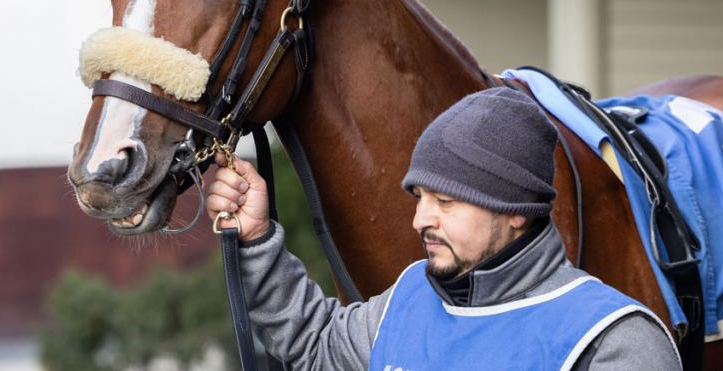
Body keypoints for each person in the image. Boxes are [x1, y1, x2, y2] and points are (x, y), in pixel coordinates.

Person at [207, 87, 681, 370]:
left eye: (446, 202)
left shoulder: (614, 340)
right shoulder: (409, 295)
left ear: (515, 209)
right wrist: (255, 240)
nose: (420, 219)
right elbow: (316, 347)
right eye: (420, 198)